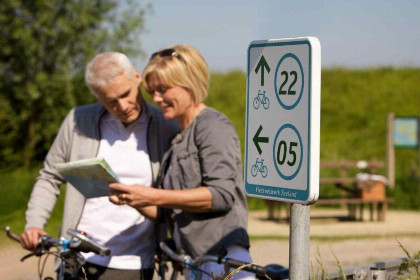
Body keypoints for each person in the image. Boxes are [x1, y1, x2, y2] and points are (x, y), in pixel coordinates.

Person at [20, 52, 179, 280]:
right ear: (97, 97)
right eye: (111, 102)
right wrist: (34, 224)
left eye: (126, 94)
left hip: (133, 263)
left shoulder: (167, 126)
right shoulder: (78, 121)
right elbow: (49, 177)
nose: (122, 106)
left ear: (137, 77)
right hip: (76, 259)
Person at [108, 44, 254, 280]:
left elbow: (222, 195)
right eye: (152, 91)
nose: (156, 99)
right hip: (194, 262)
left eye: (163, 89)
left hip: (222, 261)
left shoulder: (212, 126)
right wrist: (132, 199)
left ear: (189, 83)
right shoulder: (178, 139)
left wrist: (153, 195)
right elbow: (170, 211)